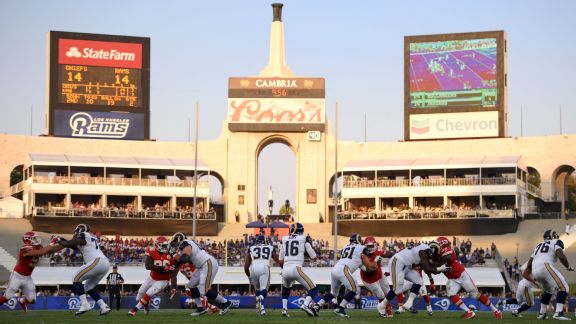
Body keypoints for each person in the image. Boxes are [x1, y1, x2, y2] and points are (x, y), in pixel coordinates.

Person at [26, 224, 111, 316]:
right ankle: (103, 307)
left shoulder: (83, 235)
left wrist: (58, 240)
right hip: (104, 264)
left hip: (97, 261)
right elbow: (72, 245)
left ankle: (85, 304)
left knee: (76, 278)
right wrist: (61, 241)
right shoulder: (89, 238)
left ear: (79, 230)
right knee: (88, 287)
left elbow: (70, 243)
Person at [433, 236, 502, 320]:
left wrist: (438, 264)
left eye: (437, 246)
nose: (435, 248)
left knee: (476, 295)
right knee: (451, 294)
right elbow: (436, 270)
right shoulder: (437, 255)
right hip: (452, 279)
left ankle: (496, 311)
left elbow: (447, 258)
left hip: (462, 275)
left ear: (442, 244)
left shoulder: (447, 250)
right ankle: (469, 312)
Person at [377, 241, 447, 317]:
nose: (434, 256)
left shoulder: (423, 250)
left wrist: (440, 269)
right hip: (397, 262)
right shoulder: (424, 251)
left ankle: (408, 303)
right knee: (397, 289)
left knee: (419, 281)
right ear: (433, 249)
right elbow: (427, 268)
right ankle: (382, 305)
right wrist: (439, 269)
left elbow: (428, 269)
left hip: (405, 266)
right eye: (436, 253)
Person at [523, 230, 573, 320]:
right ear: (553, 236)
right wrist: (568, 267)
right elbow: (561, 255)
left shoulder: (538, 246)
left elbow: (528, 266)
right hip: (545, 266)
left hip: (535, 270)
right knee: (564, 287)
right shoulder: (556, 242)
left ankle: (542, 314)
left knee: (548, 290)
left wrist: (533, 278)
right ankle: (558, 313)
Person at [314, 234, 368, 318]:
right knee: (355, 289)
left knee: (333, 293)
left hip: (335, 269)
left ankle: (317, 306)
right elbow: (364, 266)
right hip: (344, 270)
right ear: (359, 241)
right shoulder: (362, 248)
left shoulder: (345, 246)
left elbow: (354, 259)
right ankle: (341, 308)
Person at [175, 238, 232, 316]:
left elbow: (185, 258)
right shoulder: (187, 244)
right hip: (201, 266)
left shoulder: (186, 243)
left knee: (204, 290)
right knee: (191, 285)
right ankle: (200, 308)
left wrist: (176, 256)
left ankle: (226, 303)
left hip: (207, 263)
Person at [169, 232, 219, 314]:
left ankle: (210, 307)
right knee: (192, 290)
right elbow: (174, 275)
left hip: (200, 276)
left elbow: (198, 262)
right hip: (193, 280)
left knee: (201, 291)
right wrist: (173, 287)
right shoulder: (178, 262)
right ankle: (210, 307)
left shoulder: (188, 257)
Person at [278, 222, 318, 317]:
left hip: (285, 269)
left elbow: (280, 260)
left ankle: (284, 309)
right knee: (314, 288)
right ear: (301, 231)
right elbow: (314, 256)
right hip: (296, 268)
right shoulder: (304, 239)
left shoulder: (285, 239)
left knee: (286, 289)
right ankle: (305, 305)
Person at [128, 237, 174, 316]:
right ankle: (146, 305)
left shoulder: (171, 254)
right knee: (139, 296)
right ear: (157, 245)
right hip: (152, 278)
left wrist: (172, 283)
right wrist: (162, 268)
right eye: (163, 245)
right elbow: (148, 266)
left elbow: (173, 269)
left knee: (149, 292)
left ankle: (134, 310)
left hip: (163, 280)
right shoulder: (152, 252)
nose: (165, 247)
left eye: (165, 245)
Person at [0, 232, 43, 312]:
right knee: (7, 297)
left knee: (32, 300)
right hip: (17, 276)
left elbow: (46, 251)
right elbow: (41, 252)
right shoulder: (25, 247)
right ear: (27, 240)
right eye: (34, 238)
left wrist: (55, 244)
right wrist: (50, 246)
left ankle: (22, 301)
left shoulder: (38, 246)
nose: (36, 240)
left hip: (27, 277)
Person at [244, 234, 281, 316]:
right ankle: (261, 300)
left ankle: (261, 309)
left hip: (253, 268)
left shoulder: (252, 248)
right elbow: (278, 260)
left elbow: (246, 266)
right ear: (265, 241)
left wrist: (249, 277)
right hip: (264, 267)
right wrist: (283, 267)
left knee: (257, 289)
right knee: (264, 289)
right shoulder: (270, 247)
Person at [359, 236, 392, 317]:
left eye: (371, 246)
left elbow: (389, 254)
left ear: (375, 245)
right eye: (368, 246)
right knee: (381, 295)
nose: (370, 248)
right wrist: (375, 261)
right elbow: (369, 269)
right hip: (369, 279)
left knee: (388, 291)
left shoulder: (377, 251)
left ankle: (388, 307)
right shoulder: (362, 256)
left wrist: (385, 252)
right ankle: (382, 310)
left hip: (379, 274)